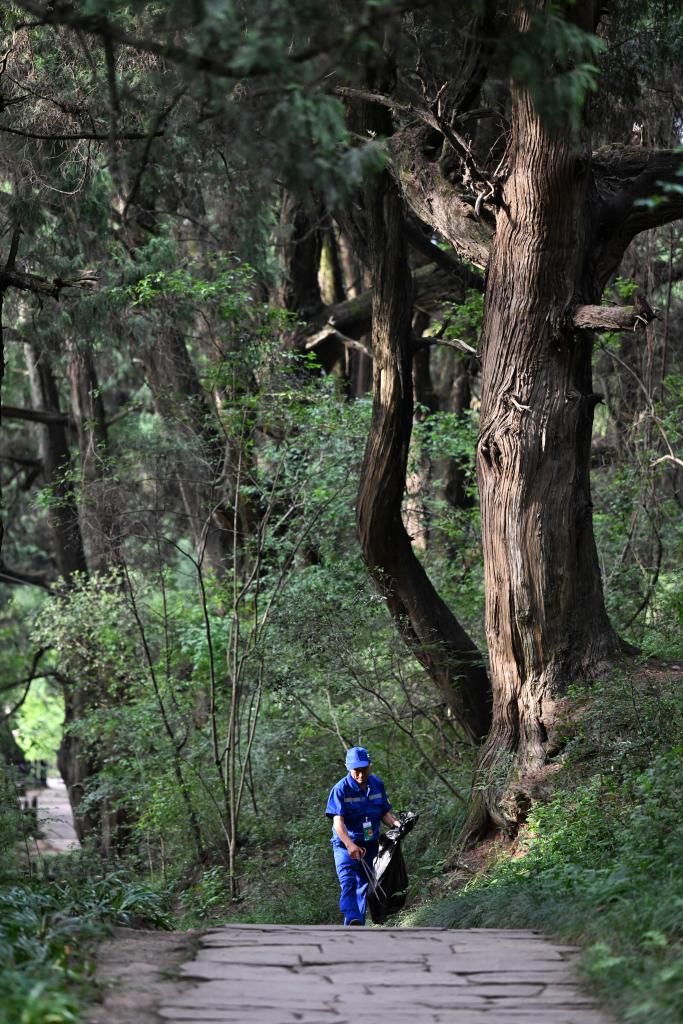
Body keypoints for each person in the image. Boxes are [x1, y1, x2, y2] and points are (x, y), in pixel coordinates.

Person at [325, 746, 400, 927]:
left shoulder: (377, 784)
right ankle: (352, 918)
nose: (360, 774)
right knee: (348, 882)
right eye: (356, 770)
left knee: (364, 886)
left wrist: (396, 824)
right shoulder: (340, 790)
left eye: (363, 769)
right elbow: (338, 823)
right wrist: (350, 845)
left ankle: (357, 927)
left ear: (370, 766)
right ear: (348, 768)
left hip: (370, 845)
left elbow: (384, 813)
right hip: (345, 846)